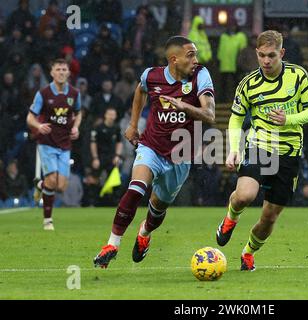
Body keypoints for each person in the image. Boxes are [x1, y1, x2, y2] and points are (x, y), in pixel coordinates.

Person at [93, 36, 215, 268]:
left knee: (157, 209)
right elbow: (140, 91)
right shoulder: (152, 76)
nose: (196, 60)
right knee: (136, 187)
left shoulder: (201, 75)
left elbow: (209, 114)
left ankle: (144, 232)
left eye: (196, 54)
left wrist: (185, 106)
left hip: (181, 155)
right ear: (174, 59)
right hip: (151, 146)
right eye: (191, 55)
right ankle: (112, 244)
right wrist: (132, 124)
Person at [215, 30, 308, 271]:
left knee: (269, 217)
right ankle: (230, 218)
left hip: (289, 154)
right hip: (259, 147)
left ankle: (248, 252)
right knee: (244, 196)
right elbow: (235, 118)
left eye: (271, 55)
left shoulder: (298, 76)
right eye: (262, 55)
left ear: (281, 53)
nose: (266, 61)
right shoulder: (249, 83)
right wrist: (234, 149)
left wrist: (289, 119)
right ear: (256, 53)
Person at [26, 58, 82, 230]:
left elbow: (78, 113)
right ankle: (47, 221)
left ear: (68, 72)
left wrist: (76, 128)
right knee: (51, 179)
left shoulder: (74, 93)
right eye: (58, 69)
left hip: (65, 143)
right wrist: (39, 125)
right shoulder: (43, 93)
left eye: (64, 69)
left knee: (61, 186)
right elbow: (30, 117)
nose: (61, 72)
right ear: (52, 73)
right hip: (47, 142)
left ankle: (39, 185)